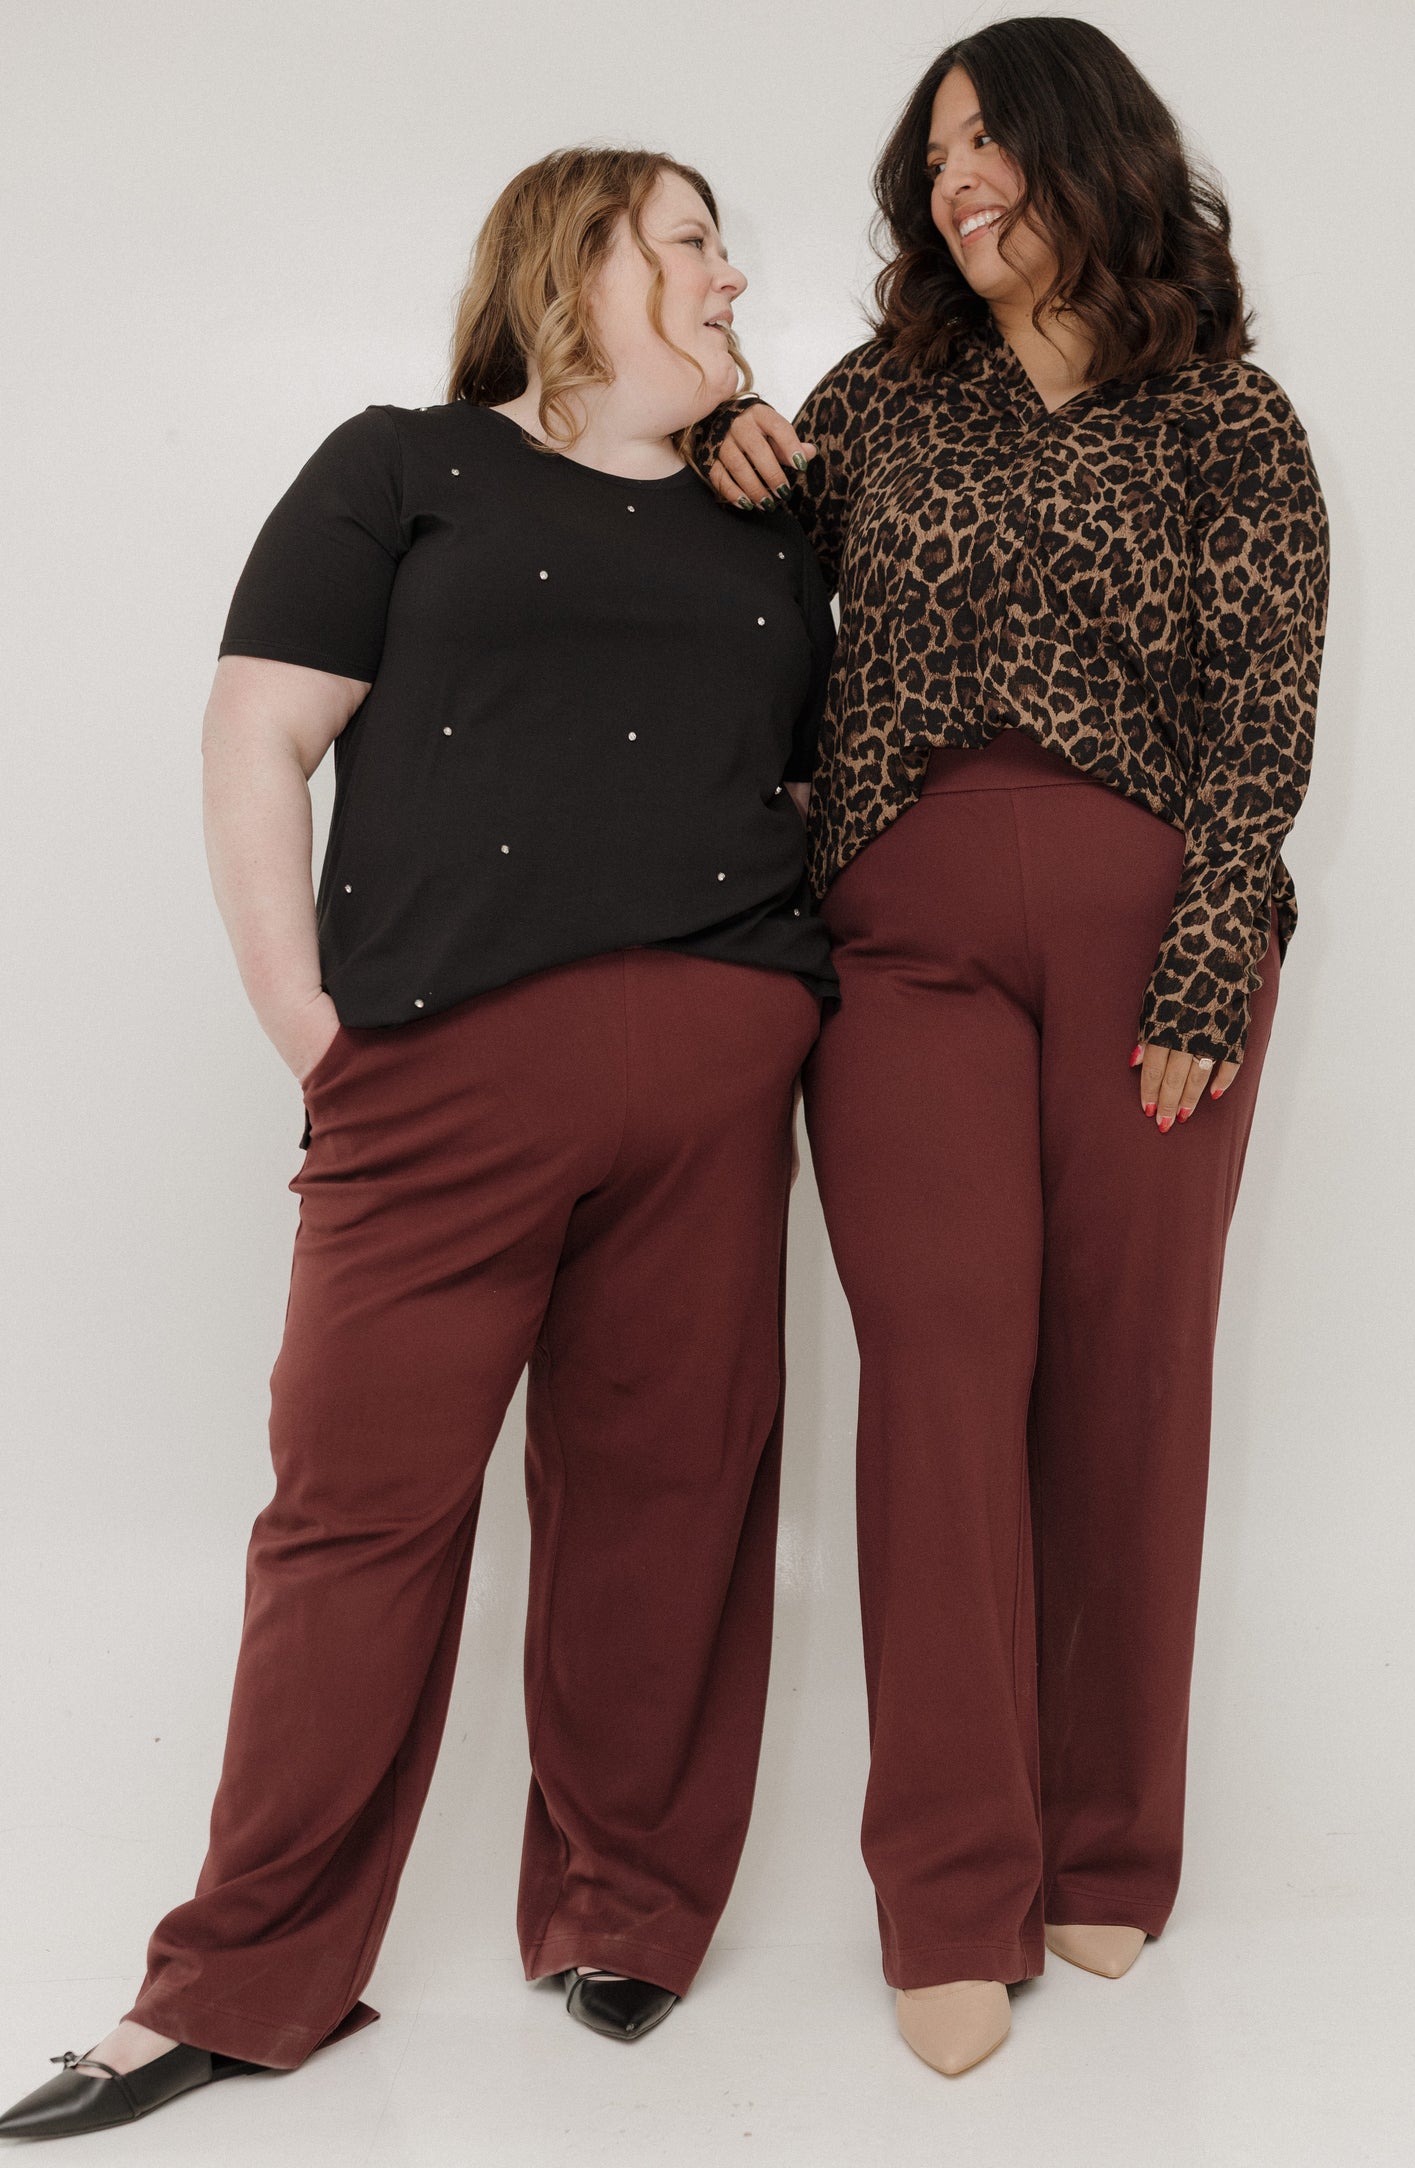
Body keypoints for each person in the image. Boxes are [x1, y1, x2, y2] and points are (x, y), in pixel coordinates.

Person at [0, 146, 837, 2142]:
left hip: (719, 1058)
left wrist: (782, 461)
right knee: (354, 1514)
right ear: (579, 262)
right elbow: (258, 735)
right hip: (439, 1069)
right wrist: (309, 1020)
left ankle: (624, 1908)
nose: (735, 272)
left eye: (728, 242)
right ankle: (240, 1975)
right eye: (694, 239)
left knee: (669, 1494)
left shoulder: (785, 517)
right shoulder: (403, 467)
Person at [698, 15, 1329, 2077]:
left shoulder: (1231, 419)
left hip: (1167, 937)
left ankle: (1113, 1847)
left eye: (992, 142)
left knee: (1134, 1375)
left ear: (1089, 153)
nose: (958, 179)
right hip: (912, 940)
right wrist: (744, 471)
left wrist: (1205, 957)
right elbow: (761, 619)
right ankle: (950, 1884)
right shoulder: (880, 398)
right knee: (944, 1366)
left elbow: (1263, 711)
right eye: (936, 155)